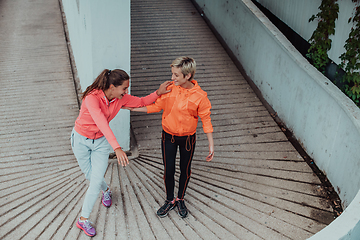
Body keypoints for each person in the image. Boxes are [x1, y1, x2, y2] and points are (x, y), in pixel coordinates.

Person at [70, 69, 171, 237]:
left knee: (94, 182)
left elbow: (141, 101)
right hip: (80, 140)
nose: (126, 92)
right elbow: (102, 122)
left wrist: (158, 93)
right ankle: (107, 189)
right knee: (90, 176)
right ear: (112, 87)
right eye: (124, 88)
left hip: (100, 143)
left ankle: (83, 219)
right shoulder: (91, 98)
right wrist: (117, 148)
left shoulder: (120, 99)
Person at [130, 56, 214, 218]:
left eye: (176, 75)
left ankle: (180, 198)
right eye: (172, 74)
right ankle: (170, 200)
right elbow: (156, 107)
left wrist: (211, 145)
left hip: (188, 140)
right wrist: (132, 109)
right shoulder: (169, 88)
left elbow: (206, 119)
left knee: (185, 170)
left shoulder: (200, 96)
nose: (172, 78)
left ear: (187, 76)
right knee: (168, 170)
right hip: (168, 137)